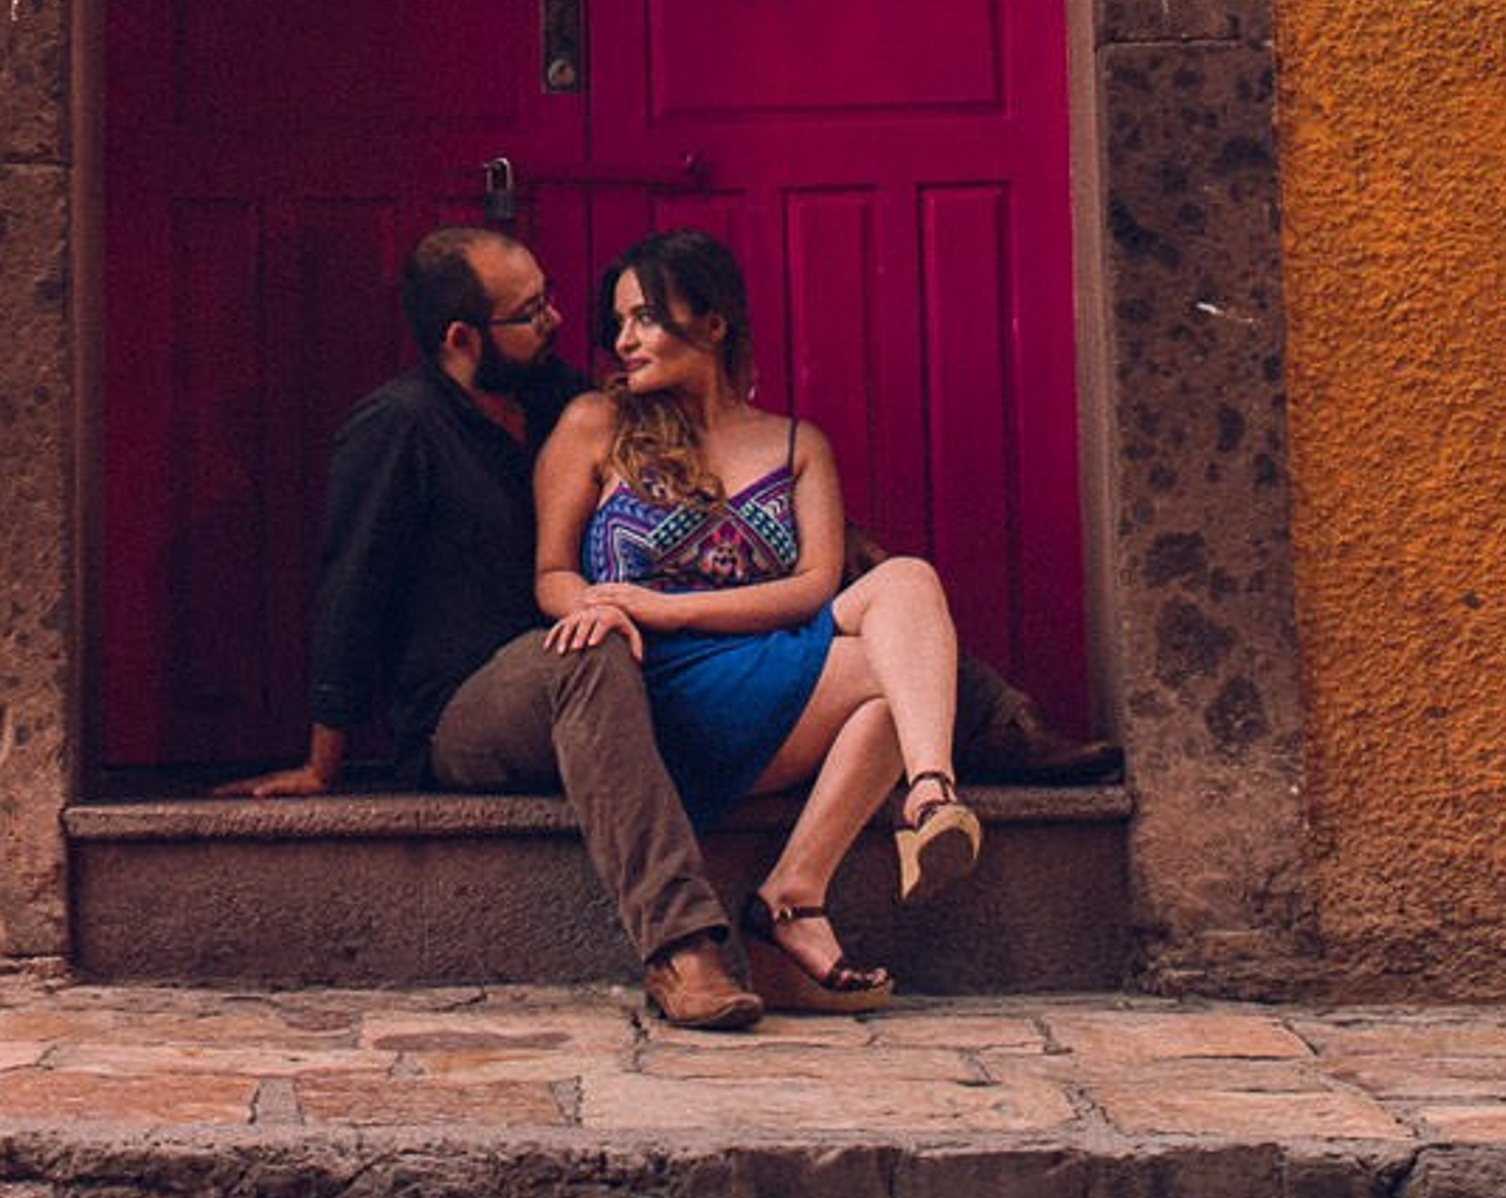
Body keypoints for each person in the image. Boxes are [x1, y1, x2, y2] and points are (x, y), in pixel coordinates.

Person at [219, 224, 766, 1031]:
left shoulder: (560, 400)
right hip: (463, 712)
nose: (555, 320)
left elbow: (704, 477)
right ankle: (682, 947)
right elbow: (352, 587)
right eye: (528, 313)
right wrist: (321, 761)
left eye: (547, 298)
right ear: (461, 339)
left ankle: (979, 747)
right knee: (590, 644)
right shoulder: (399, 426)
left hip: (602, 683)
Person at [534, 226, 989, 1016]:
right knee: (902, 678)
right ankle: (799, 904)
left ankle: (907, 810)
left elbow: (814, 585)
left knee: (908, 588)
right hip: (649, 685)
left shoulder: (796, 444)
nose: (623, 340)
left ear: (712, 324)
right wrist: (599, 608)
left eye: (645, 317)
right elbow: (551, 573)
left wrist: (671, 604)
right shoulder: (593, 424)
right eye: (619, 323)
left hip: (769, 663)